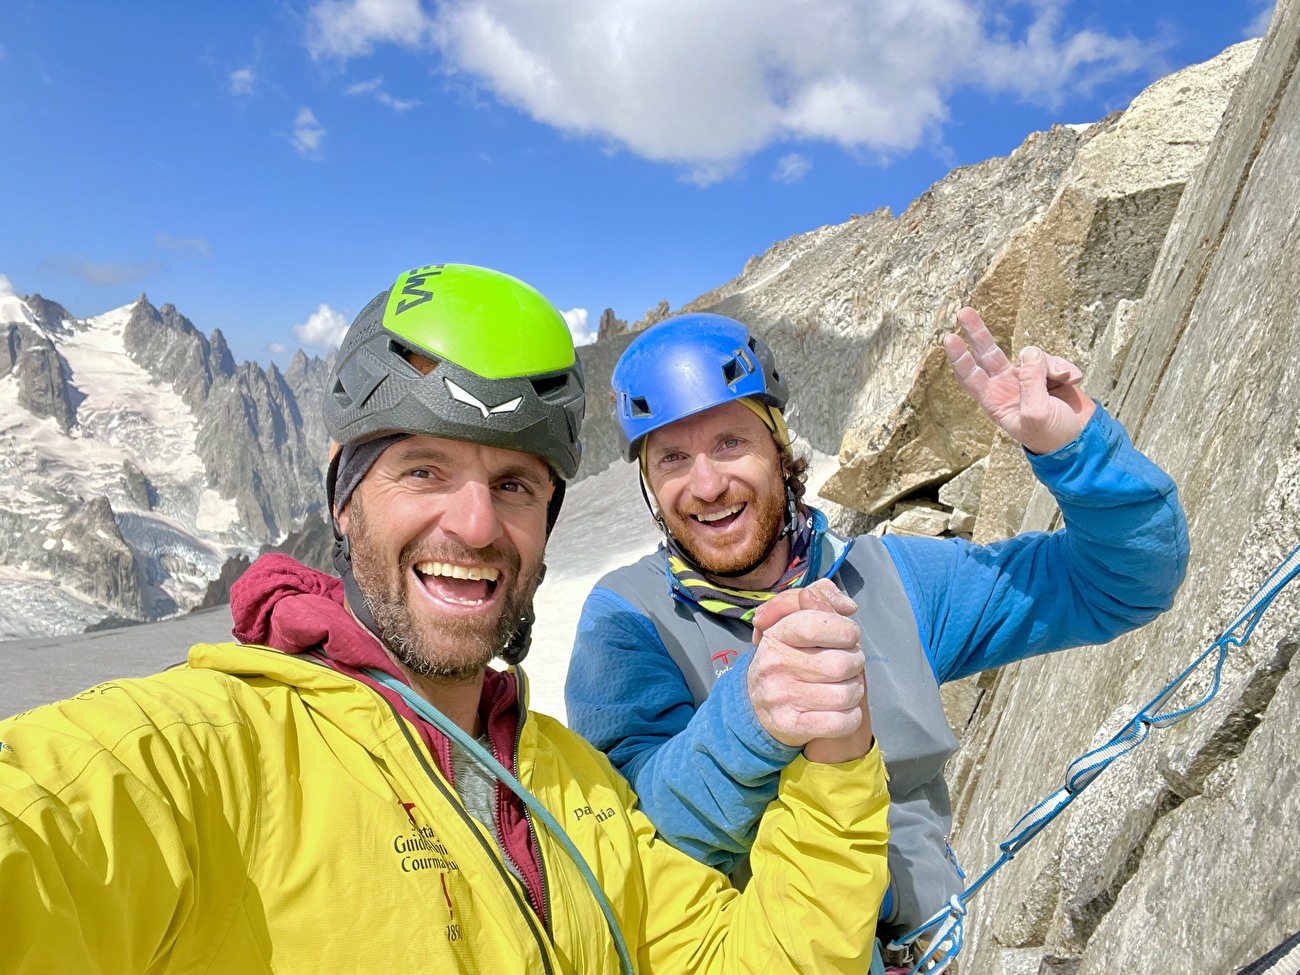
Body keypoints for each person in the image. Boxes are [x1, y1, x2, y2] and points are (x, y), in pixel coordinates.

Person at [0, 264, 889, 974]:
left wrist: (837, 766)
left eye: (513, 485)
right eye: (423, 470)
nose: (472, 524)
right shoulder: (206, 754)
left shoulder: (573, 786)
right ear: (343, 501)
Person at [565, 307, 1189, 962]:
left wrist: (1076, 453)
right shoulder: (627, 621)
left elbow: (1121, 584)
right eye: (671, 457)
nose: (706, 483)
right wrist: (753, 717)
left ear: (779, 447)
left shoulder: (890, 579)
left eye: (730, 442)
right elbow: (628, 844)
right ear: (649, 483)